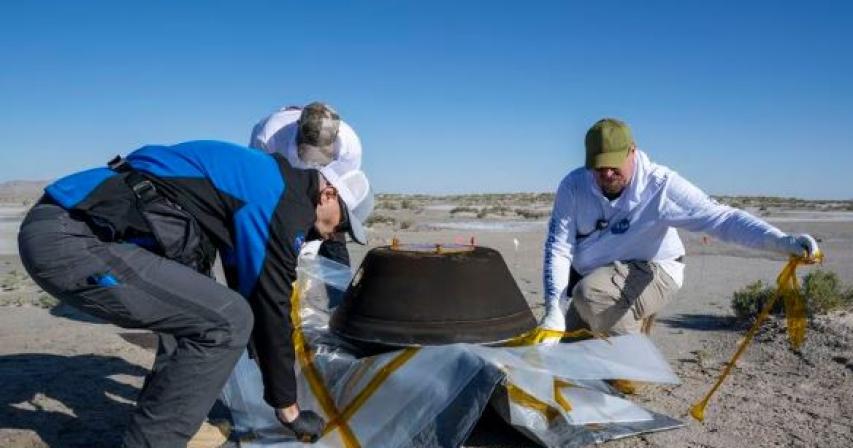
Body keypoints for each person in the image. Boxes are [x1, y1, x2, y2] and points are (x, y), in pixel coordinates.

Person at [18, 140, 374, 446]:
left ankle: (171, 429)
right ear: (327, 194)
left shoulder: (265, 181)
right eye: (341, 225)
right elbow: (270, 305)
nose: (333, 236)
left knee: (203, 312)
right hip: (72, 238)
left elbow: (250, 288)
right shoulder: (283, 201)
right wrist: (288, 409)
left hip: (74, 227)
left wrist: (264, 363)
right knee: (229, 321)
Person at [539, 118, 820, 342]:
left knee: (591, 297)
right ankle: (625, 323)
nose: (607, 174)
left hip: (654, 268)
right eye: (599, 167)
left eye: (614, 165)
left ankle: (636, 370)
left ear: (632, 152)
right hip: (599, 273)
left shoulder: (661, 186)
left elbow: (722, 219)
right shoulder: (573, 187)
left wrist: (781, 241)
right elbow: (559, 248)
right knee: (568, 341)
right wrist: (553, 307)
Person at [249, 102, 362, 267]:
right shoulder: (268, 136)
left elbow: (341, 193)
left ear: (336, 135)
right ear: (297, 128)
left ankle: (341, 290)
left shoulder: (350, 147)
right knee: (279, 241)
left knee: (334, 239)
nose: (313, 160)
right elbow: (261, 184)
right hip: (281, 182)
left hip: (323, 188)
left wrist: (324, 224)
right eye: (309, 150)